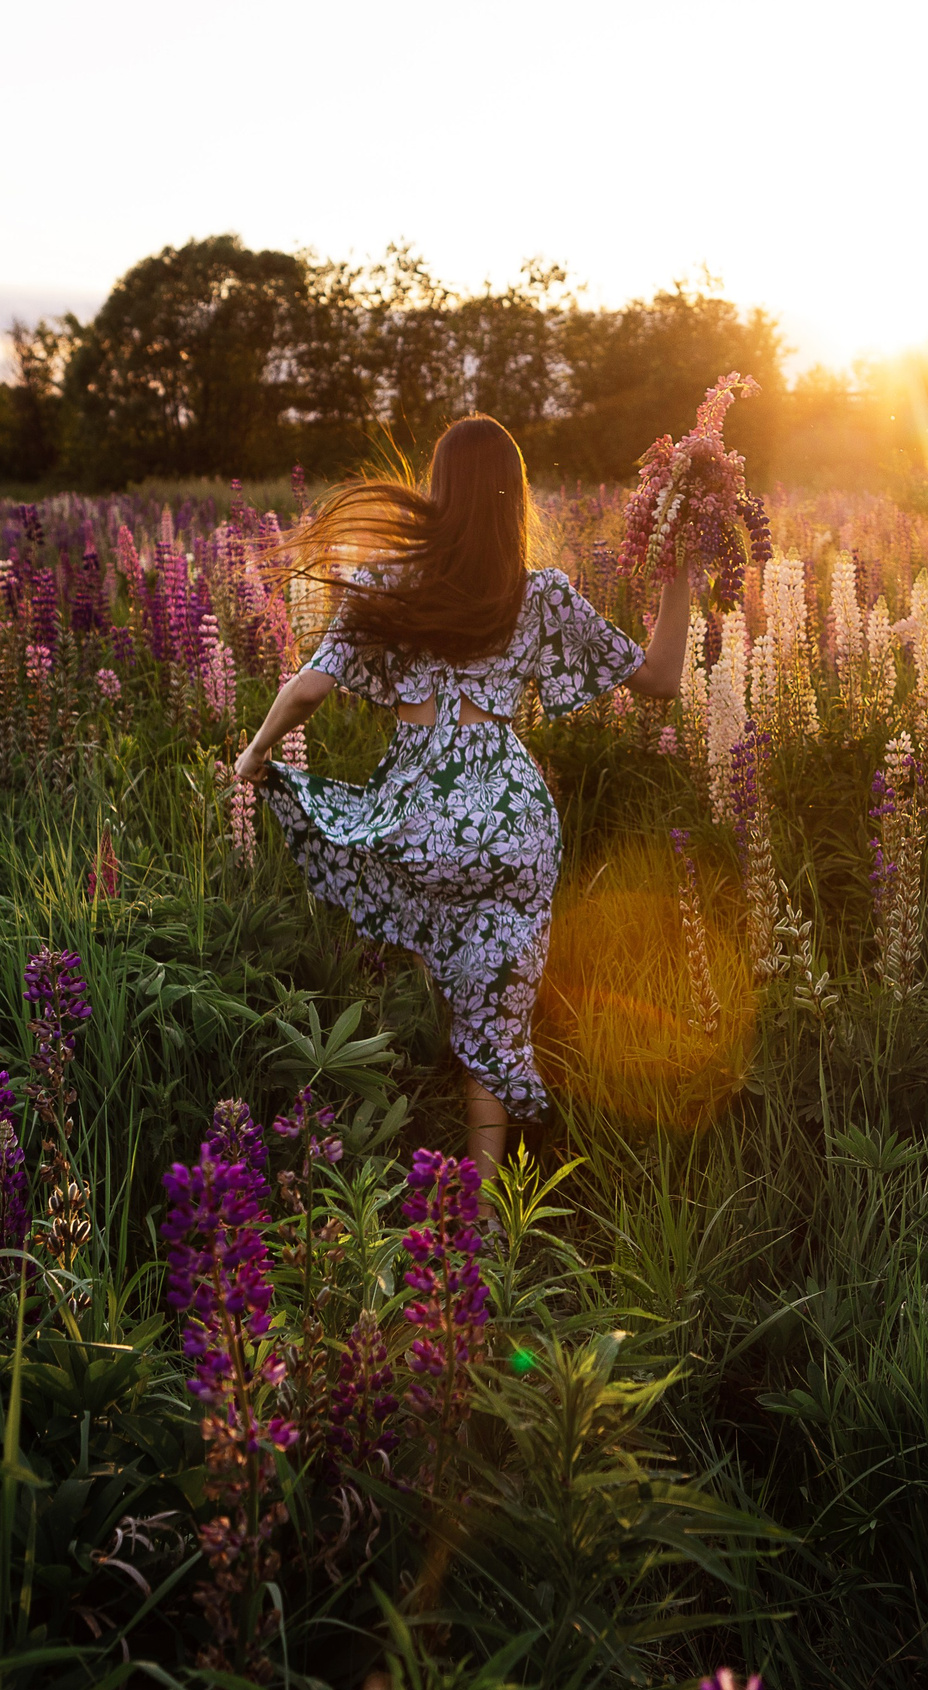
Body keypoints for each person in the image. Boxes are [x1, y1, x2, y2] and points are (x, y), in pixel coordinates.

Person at [234, 415, 691, 1178]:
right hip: (513, 819)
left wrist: (254, 756)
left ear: (438, 492)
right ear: (514, 500)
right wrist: (681, 575)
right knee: (494, 1021)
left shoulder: (393, 584)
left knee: (392, 908)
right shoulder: (542, 595)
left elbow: (308, 687)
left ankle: (374, 1114)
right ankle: (482, 1208)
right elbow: (662, 681)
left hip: (421, 817)